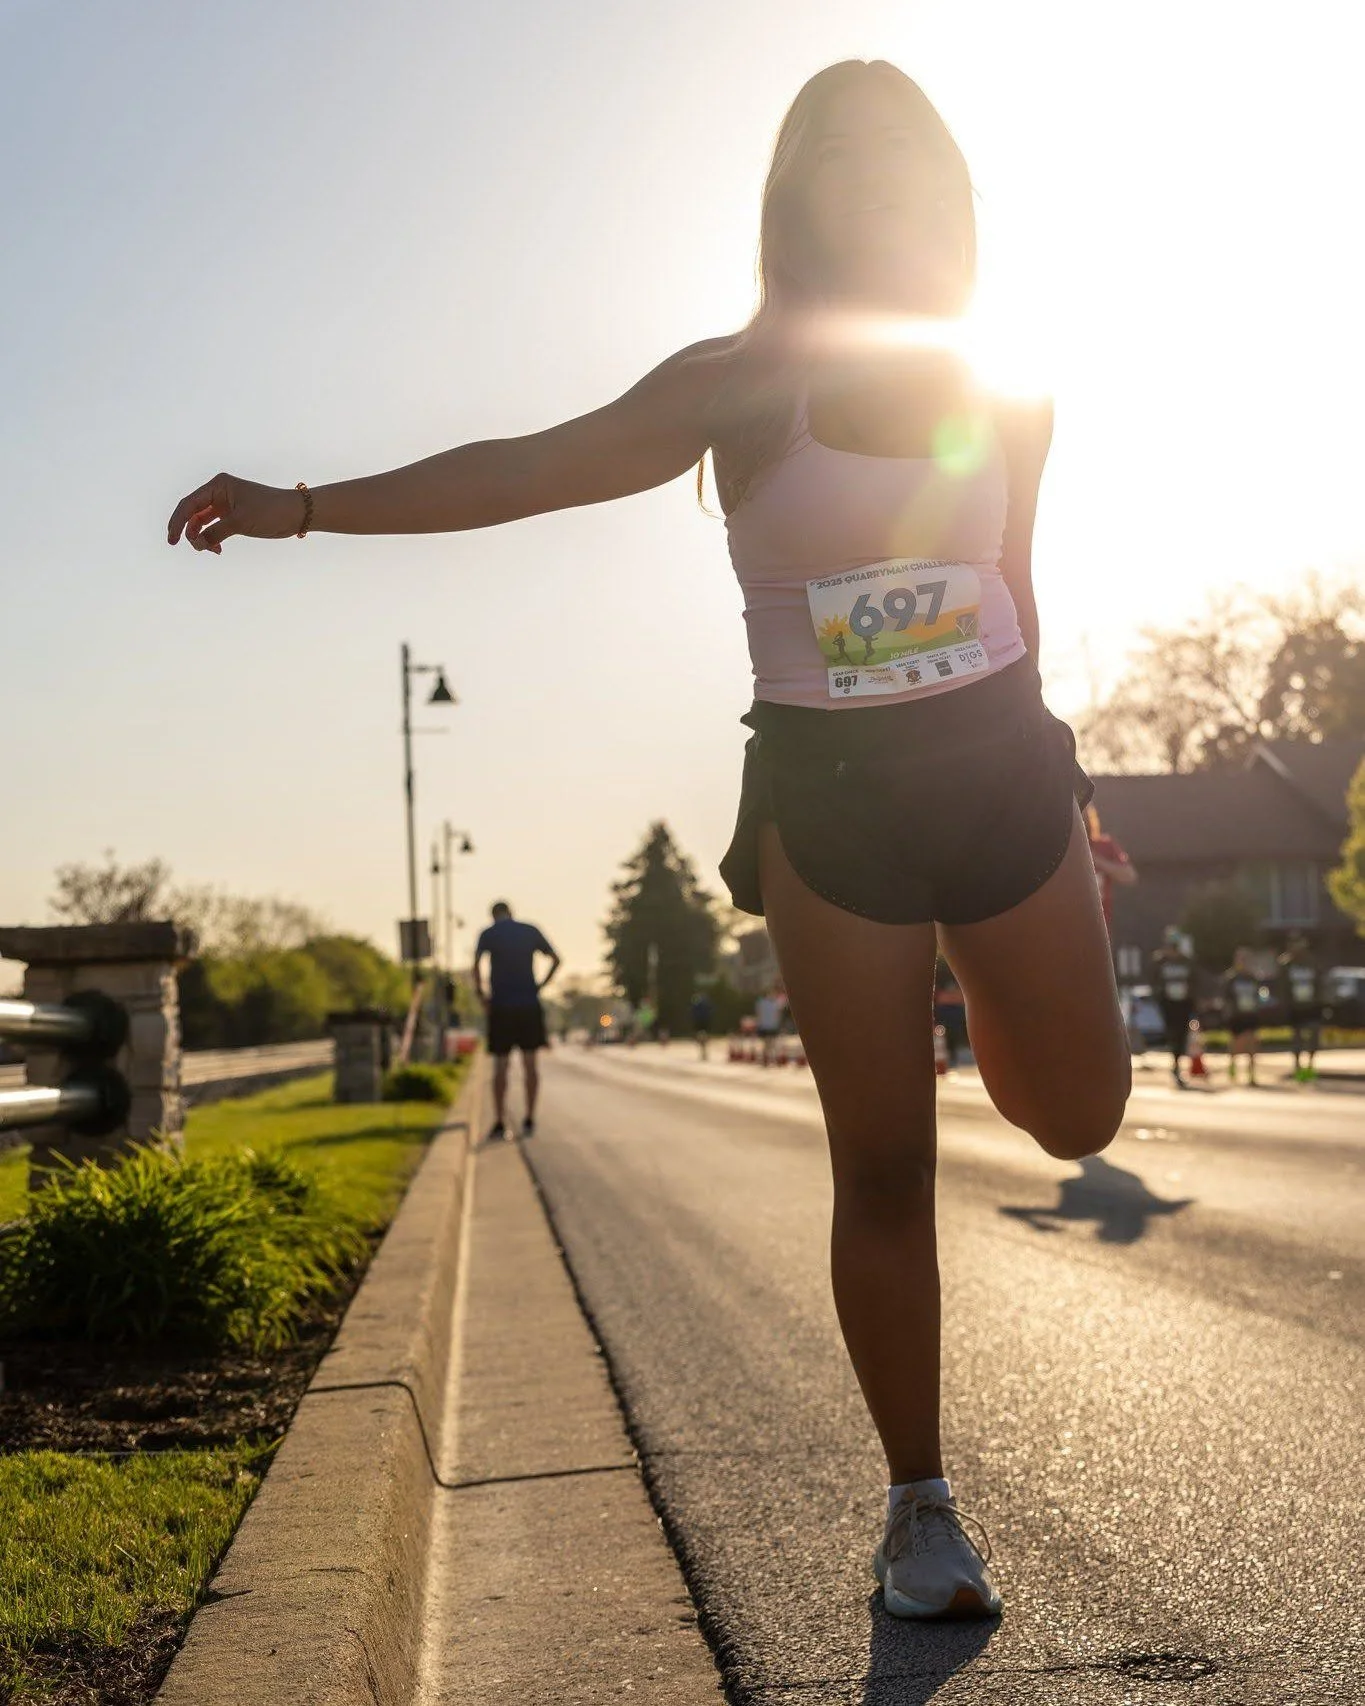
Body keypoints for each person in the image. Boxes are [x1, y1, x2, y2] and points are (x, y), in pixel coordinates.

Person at [167, 59, 1132, 1622]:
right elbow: (528, 469)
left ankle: (995, 974)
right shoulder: (742, 381)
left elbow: (1016, 583)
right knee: (881, 1162)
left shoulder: (1006, 376)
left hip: (1004, 771)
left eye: (908, 168)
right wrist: (300, 507)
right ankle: (919, 1509)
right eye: (848, 168)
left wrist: (1073, 799)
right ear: (796, 198)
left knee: (1081, 1117)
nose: (881, 194)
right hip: (831, 798)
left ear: (948, 194)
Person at [471, 902, 560, 1139]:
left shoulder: (488, 934)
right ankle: (530, 1117)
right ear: (511, 913)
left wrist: (482, 996)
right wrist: (540, 985)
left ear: (493, 916)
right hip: (528, 1004)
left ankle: (500, 1120)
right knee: (530, 1063)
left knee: (501, 1065)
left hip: (501, 1005)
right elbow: (555, 959)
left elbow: (476, 966)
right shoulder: (530, 930)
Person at [1151, 926, 1196, 1088]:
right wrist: (1158, 998)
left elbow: (1194, 982)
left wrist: (1193, 1001)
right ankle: (1175, 1064)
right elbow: (1154, 981)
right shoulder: (1160, 962)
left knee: (1181, 1035)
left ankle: (1177, 1065)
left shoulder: (1186, 962)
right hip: (1168, 1003)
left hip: (1183, 1003)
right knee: (1173, 1033)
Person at [1278, 932, 1322, 1083]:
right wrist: (1285, 1005)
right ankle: (1297, 1067)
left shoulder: (1312, 963)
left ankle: (1310, 1066)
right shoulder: (1286, 964)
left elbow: (1319, 983)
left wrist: (1321, 1001)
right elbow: (1282, 987)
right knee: (1297, 1039)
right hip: (1295, 1008)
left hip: (1311, 1006)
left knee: (1313, 1037)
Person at [1085, 804, 1136, 935]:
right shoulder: (1064, 851)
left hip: (1100, 930)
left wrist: (1096, 859)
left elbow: (1129, 875)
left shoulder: (1105, 846)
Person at [1221, 948, 1262, 1087]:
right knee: (1235, 1043)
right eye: (1241, 960)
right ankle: (1232, 1067)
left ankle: (1251, 1075)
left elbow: (1257, 996)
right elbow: (1226, 997)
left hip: (1250, 1014)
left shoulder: (1252, 978)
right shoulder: (1231, 978)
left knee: (1252, 1044)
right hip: (1236, 1015)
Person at [754, 988, 783, 1067]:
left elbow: (758, 1013)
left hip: (767, 1025)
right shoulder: (774, 1003)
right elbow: (778, 1014)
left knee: (768, 1044)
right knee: (769, 1044)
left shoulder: (762, 1002)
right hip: (769, 1025)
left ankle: (768, 1060)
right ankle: (769, 1060)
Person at [690, 988, 715, 1060]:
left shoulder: (696, 1000)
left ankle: (703, 1049)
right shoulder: (706, 1001)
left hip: (699, 1021)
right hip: (705, 1020)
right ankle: (704, 1049)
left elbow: (693, 1011)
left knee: (700, 1035)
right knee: (704, 1035)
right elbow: (710, 1010)